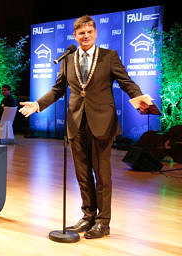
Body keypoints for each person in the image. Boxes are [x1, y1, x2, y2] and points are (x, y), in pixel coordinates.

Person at [19, 15, 150, 239]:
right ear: (75, 36)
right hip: (76, 123)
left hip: (102, 123)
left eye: (89, 32)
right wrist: (39, 104)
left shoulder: (109, 56)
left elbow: (126, 82)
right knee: (82, 174)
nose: (85, 36)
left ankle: (103, 222)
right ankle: (88, 216)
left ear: (95, 33)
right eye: (81, 33)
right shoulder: (68, 59)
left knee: (102, 174)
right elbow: (58, 89)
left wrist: (141, 100)